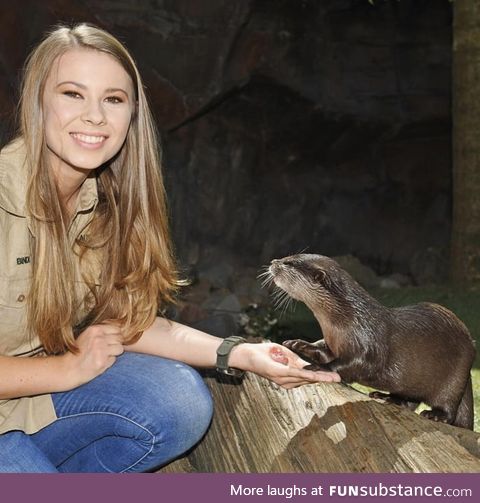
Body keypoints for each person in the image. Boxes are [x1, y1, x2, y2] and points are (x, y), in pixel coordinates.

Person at [0, 23, 340, 473]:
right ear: (37, 102)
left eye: (113, 99)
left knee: (178, 402)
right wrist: (65, 370)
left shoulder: (102, 204)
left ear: (132, 113)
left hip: (23, 403)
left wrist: (238, 352)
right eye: (72, 94)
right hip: (39, 383)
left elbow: (130, 321)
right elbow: (69, 366)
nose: (95, 116)